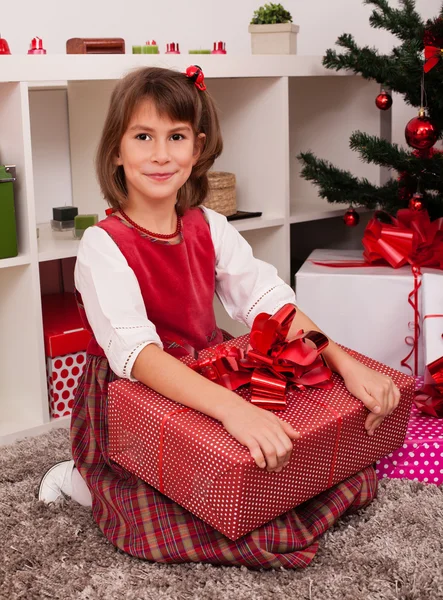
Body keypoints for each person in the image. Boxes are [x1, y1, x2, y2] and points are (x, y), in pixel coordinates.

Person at [38, 65, 400, 570]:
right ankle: (85, 478)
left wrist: (339, 357)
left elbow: (267, 301)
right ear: (117, 151)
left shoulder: (208, 224)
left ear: (197, 147)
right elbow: (139, 357)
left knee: (309, 479)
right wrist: (235, 412)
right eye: (143, 136)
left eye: (177, 137)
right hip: (132, 395)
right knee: (203, 528)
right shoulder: (102, 244)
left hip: (205, 367)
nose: (161, 154)